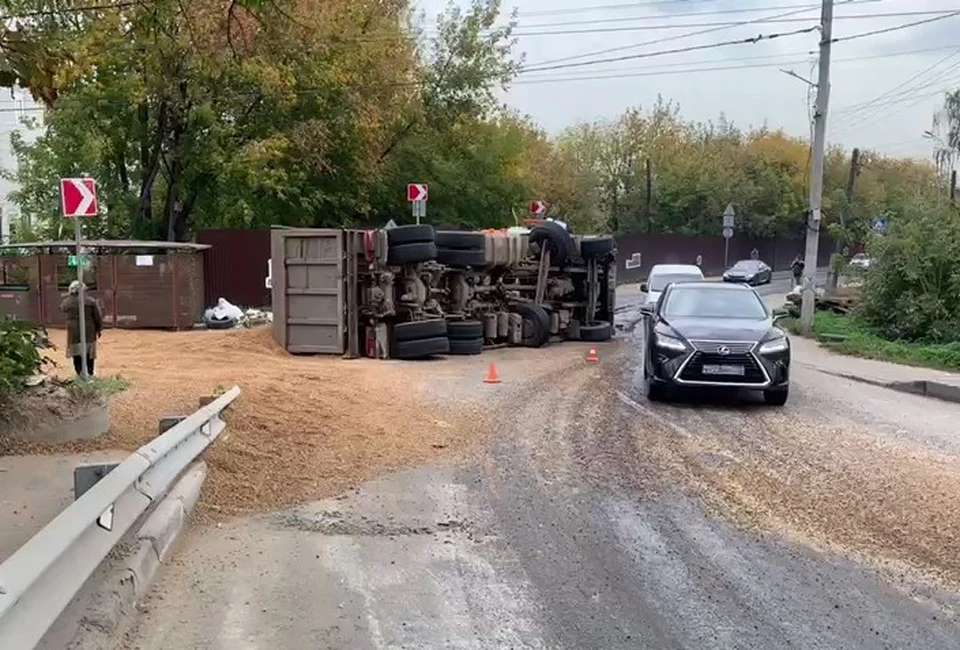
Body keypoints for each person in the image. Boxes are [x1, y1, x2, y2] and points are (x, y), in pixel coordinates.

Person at [61, 280, 103, 377]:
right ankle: (90, 373)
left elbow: (62, 308)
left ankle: (79, 373)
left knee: (76, 353)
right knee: (89, 353)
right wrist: (99, 329)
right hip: (89, 330)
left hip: (74, 332)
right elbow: (98, 316)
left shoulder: (67, 301)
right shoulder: (90, 301)